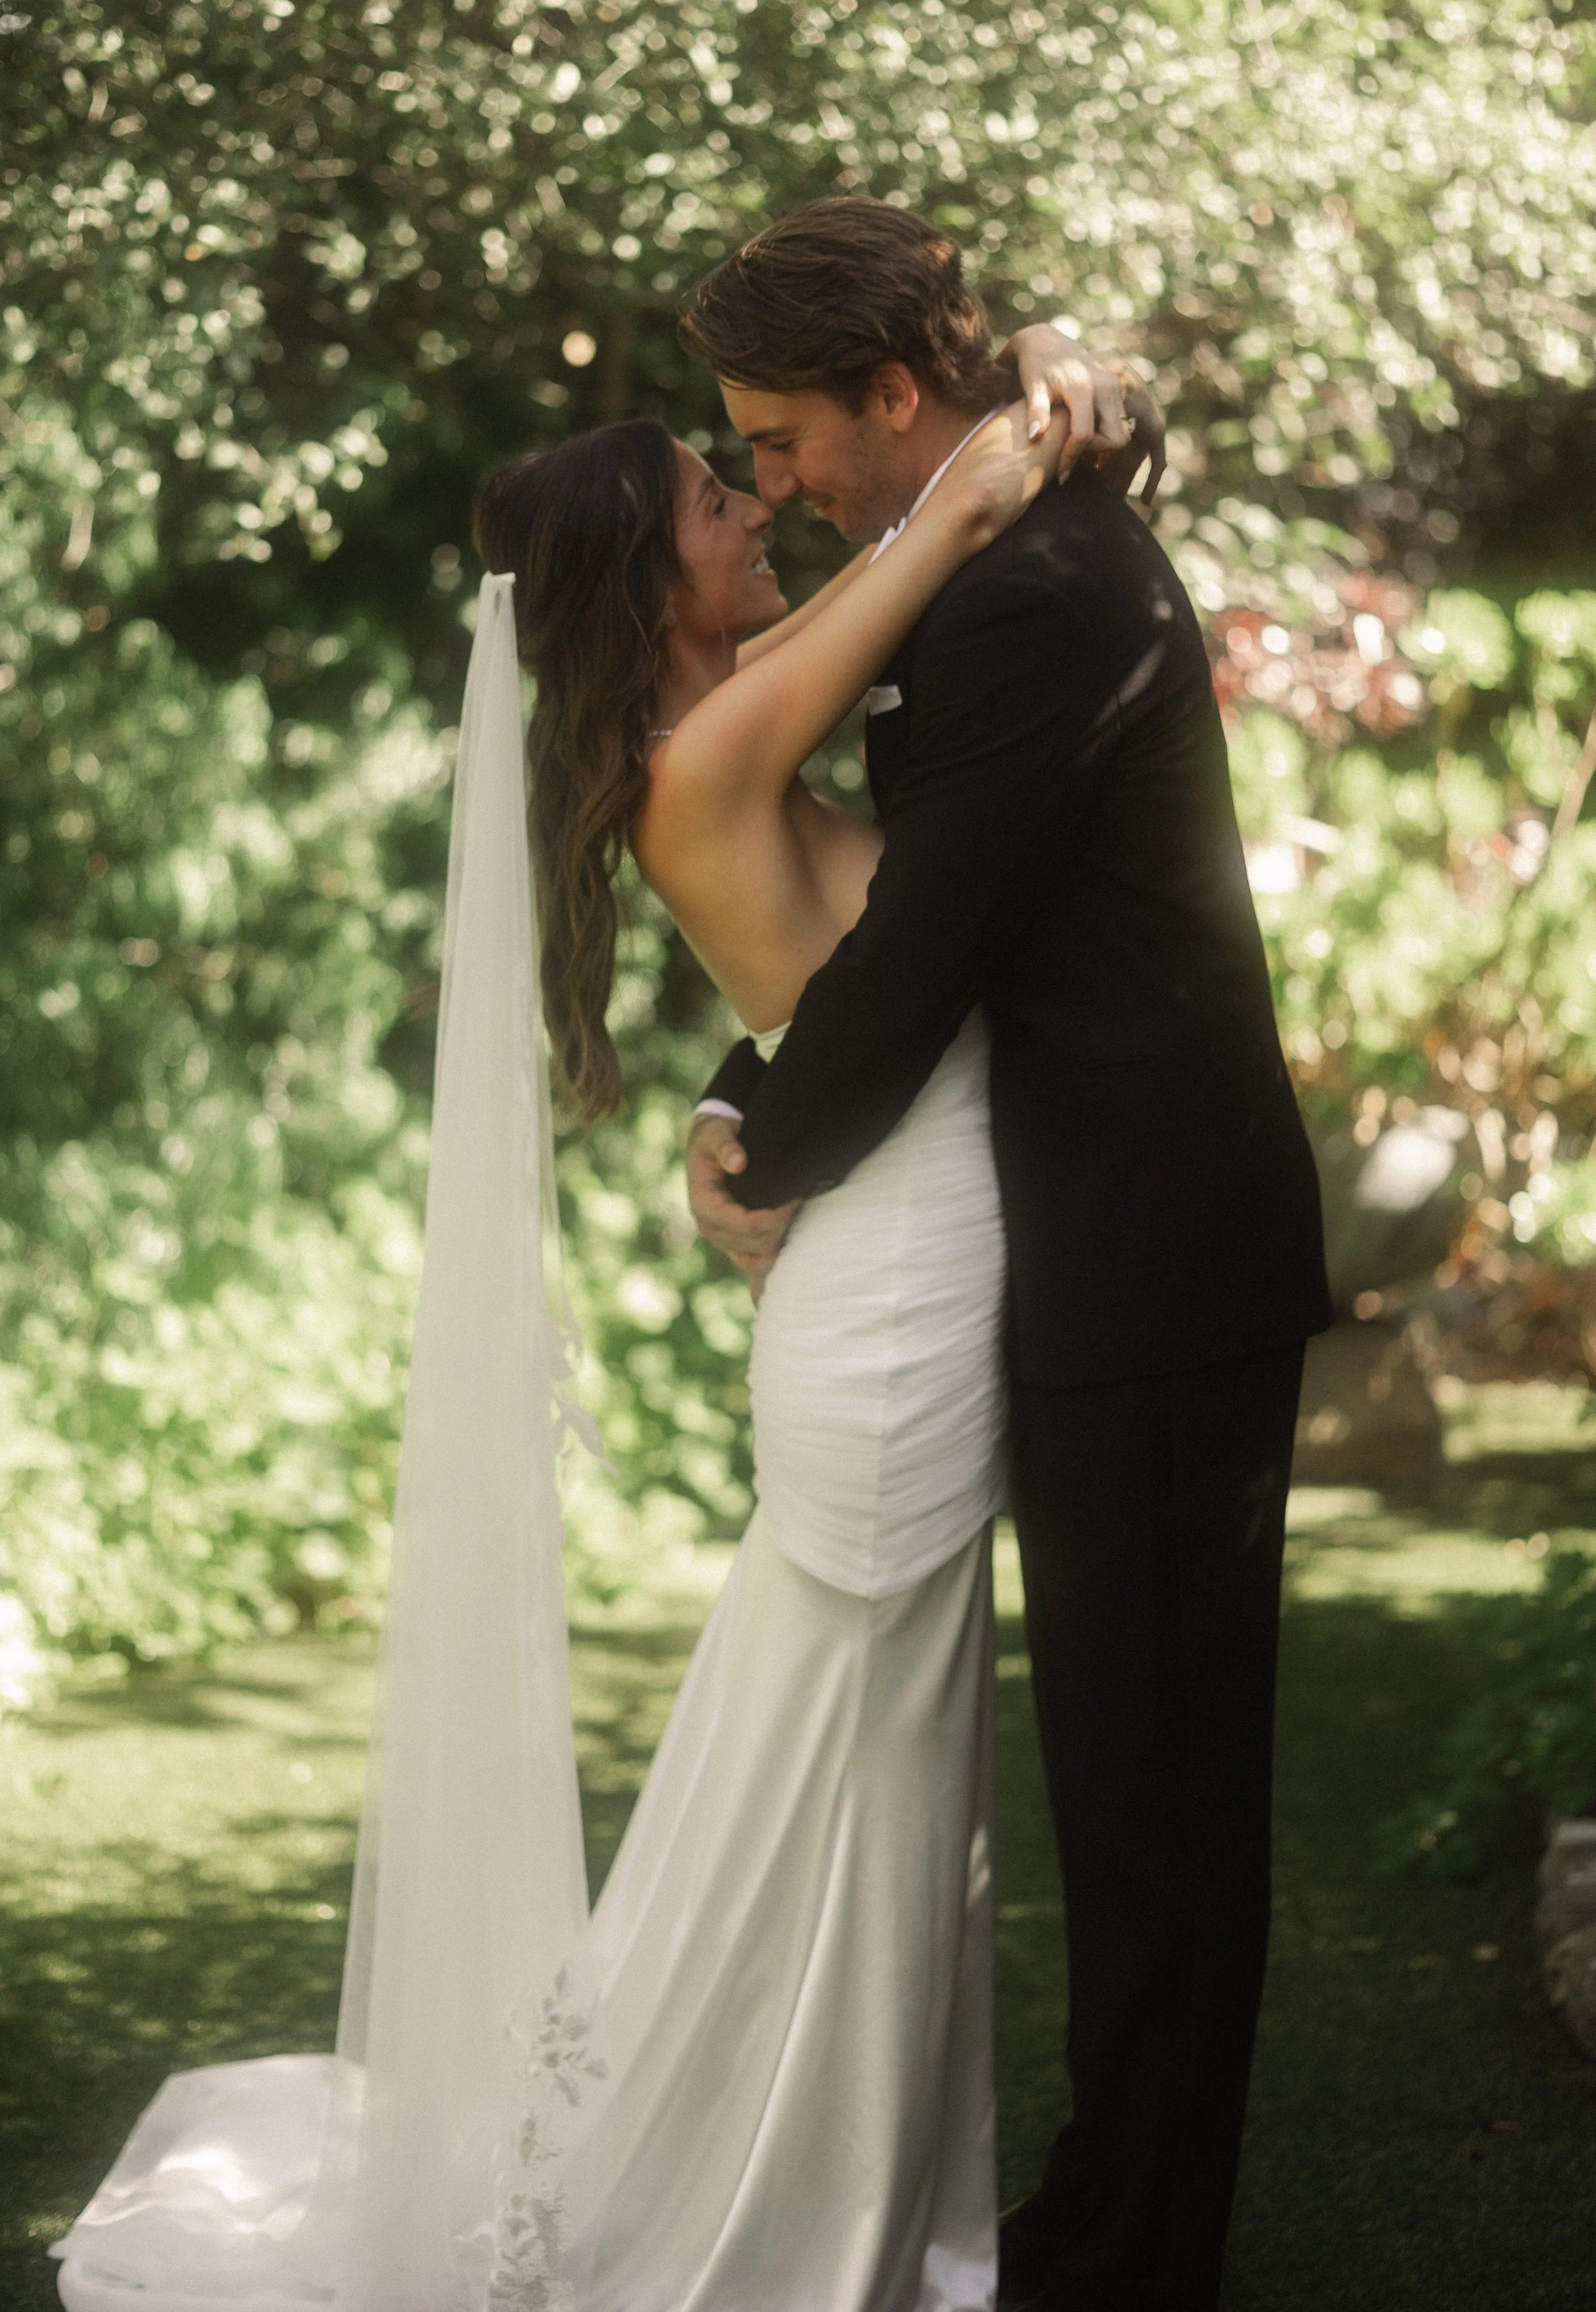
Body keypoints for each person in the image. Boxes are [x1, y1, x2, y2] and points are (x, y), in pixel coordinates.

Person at [50, 311, 1138, 2312]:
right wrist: (1027, 407)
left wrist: (735, 1106)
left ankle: (810, 2183)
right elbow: (957, 512)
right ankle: (752, 2217)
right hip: (889, 1301)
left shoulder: (717, 737)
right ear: (650, 581)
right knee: (853, 1785)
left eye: (750, 476)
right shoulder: (709, 747)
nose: (760, 510)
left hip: (885, 1274)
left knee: (847, 1780)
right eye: (721, 499)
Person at [678, 199, 1333, 2312]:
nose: (768, 484)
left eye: (780, 441)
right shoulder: (985, 555)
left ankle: (1125, 2261)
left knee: (1150, 1814)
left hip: (1145, 1253)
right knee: (1115, 1793)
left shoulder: (1030, 589)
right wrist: (733, 1090)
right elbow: (862, 904)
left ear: (896, 393)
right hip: (1088, 1239)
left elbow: (919, 948)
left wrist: (765, 1154)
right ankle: (1088, 2226)